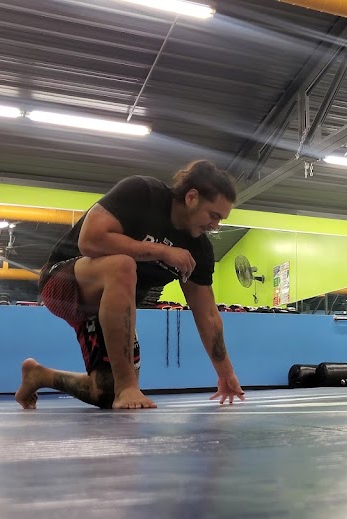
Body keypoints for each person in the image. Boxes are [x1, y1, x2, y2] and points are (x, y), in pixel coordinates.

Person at [16, 160, 245, 409]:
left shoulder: (199, 250)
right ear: (192, 197)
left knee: (106, 393)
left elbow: (208, 315)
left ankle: (39, 375)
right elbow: (90, 240)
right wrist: (162, 251)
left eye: (220, 219)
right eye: (213, 215)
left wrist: (225, 373)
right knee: (123, 265)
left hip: (104, 309)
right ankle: (127, 387)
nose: (215, 226)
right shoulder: (143, 193)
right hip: (62, 283)